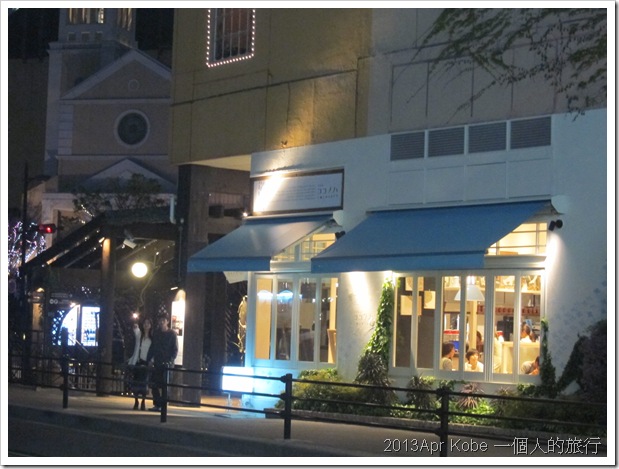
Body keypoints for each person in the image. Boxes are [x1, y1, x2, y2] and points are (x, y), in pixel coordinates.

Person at [147, 314, 178, 412]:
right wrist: (149, 359)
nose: (161, 322)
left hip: (167, 363)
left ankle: (163, 406)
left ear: (167, 322)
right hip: (157, 362)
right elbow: (153, 347)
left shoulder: (172, 334)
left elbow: (175, 349)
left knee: (165, 385)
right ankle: (157, 404)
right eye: (160, 320)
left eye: (163, 320)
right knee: (154, 384)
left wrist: (170, 361)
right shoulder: (156, 333)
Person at [127, 318, 153, 410]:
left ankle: (143, 401)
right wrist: (135, 325)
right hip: (138, 361)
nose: (146, 325)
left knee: (144, 383)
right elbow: (136, 330)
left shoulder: (152, 338)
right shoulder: (140, 335)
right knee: (136, 382)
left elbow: (153, 350)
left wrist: (151, 361)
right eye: (145, 323)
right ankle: (136, 401)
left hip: (146, 362)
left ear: (151, 325)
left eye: (148, 323)